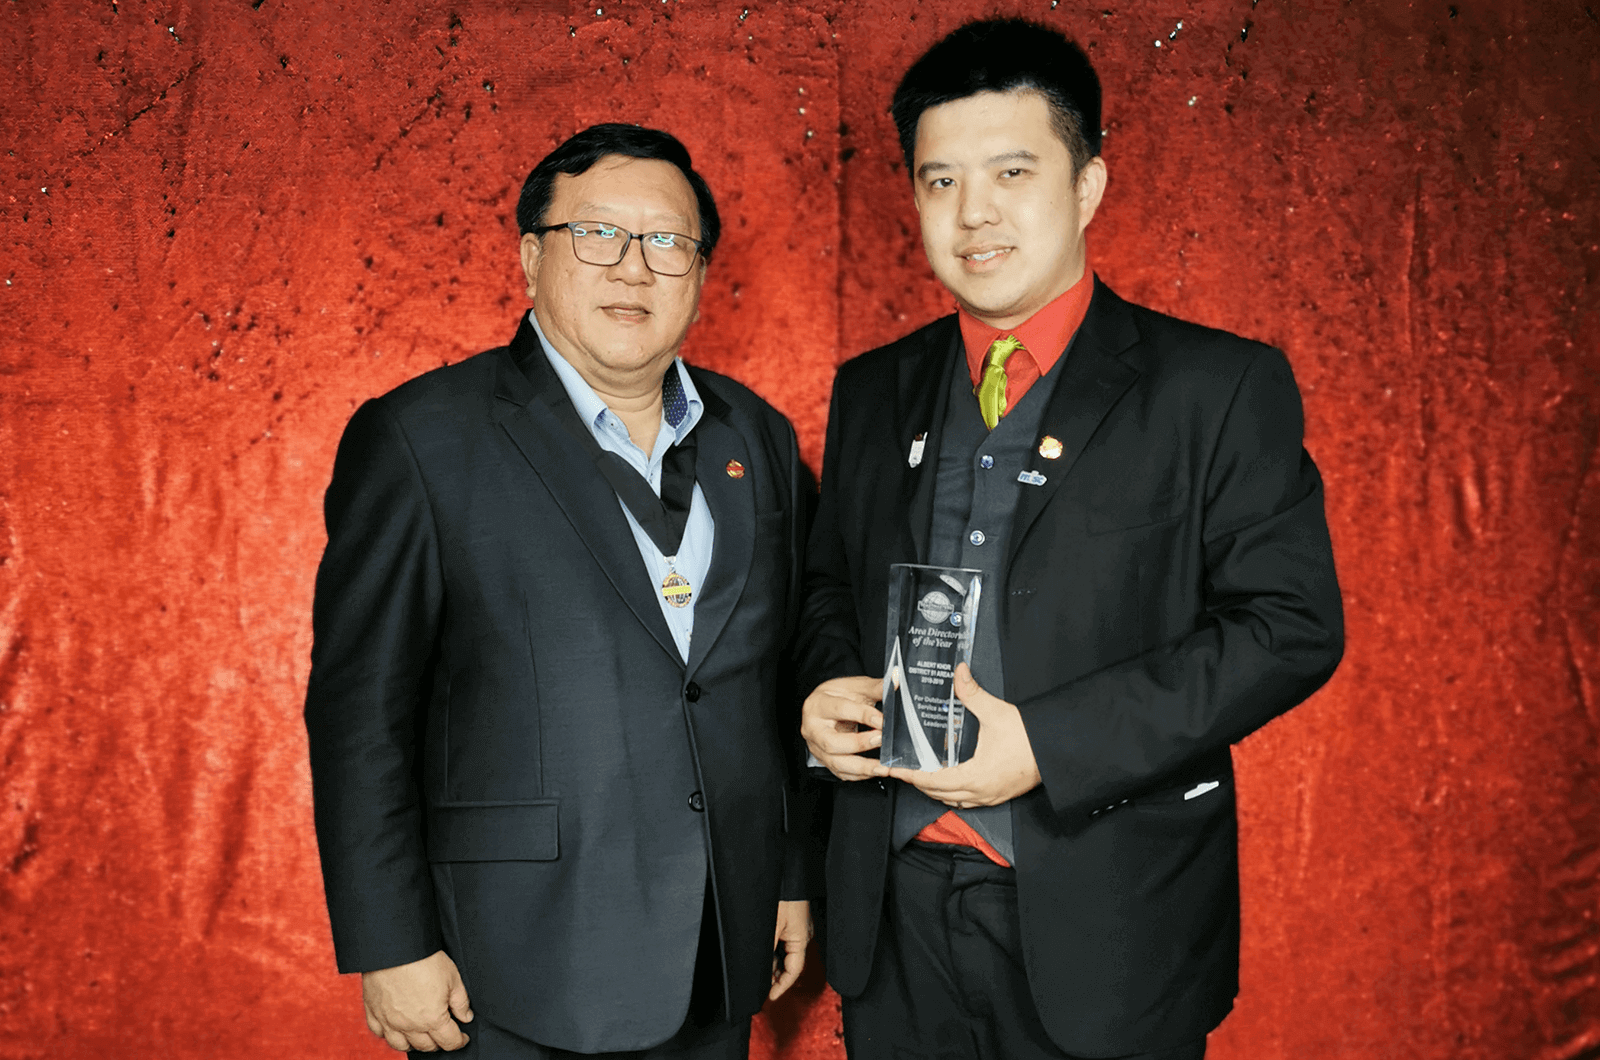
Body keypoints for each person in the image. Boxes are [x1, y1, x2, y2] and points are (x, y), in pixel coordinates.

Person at [795, 19, 1343, 1060]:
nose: (973, 213)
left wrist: (1046, 745)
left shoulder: (1215, 388)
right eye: (939, 179)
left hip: (1112, 916)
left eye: (1011, 170)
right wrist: (824, 690)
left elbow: (1289, 627)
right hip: (893, 911)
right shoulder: (871, 389)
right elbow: (829, 588)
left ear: (1087, 185)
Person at [305, 123, 813, 1060]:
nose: (633, 269)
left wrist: (784, 874)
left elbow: (768, 685)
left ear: (699, 270)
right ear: (532, 257)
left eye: (667, 241)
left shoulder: (760, 438)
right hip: (509, 960)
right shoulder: (422, 438)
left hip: (716, 945)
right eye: (596, 235)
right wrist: (390, 943)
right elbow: (359, 713)